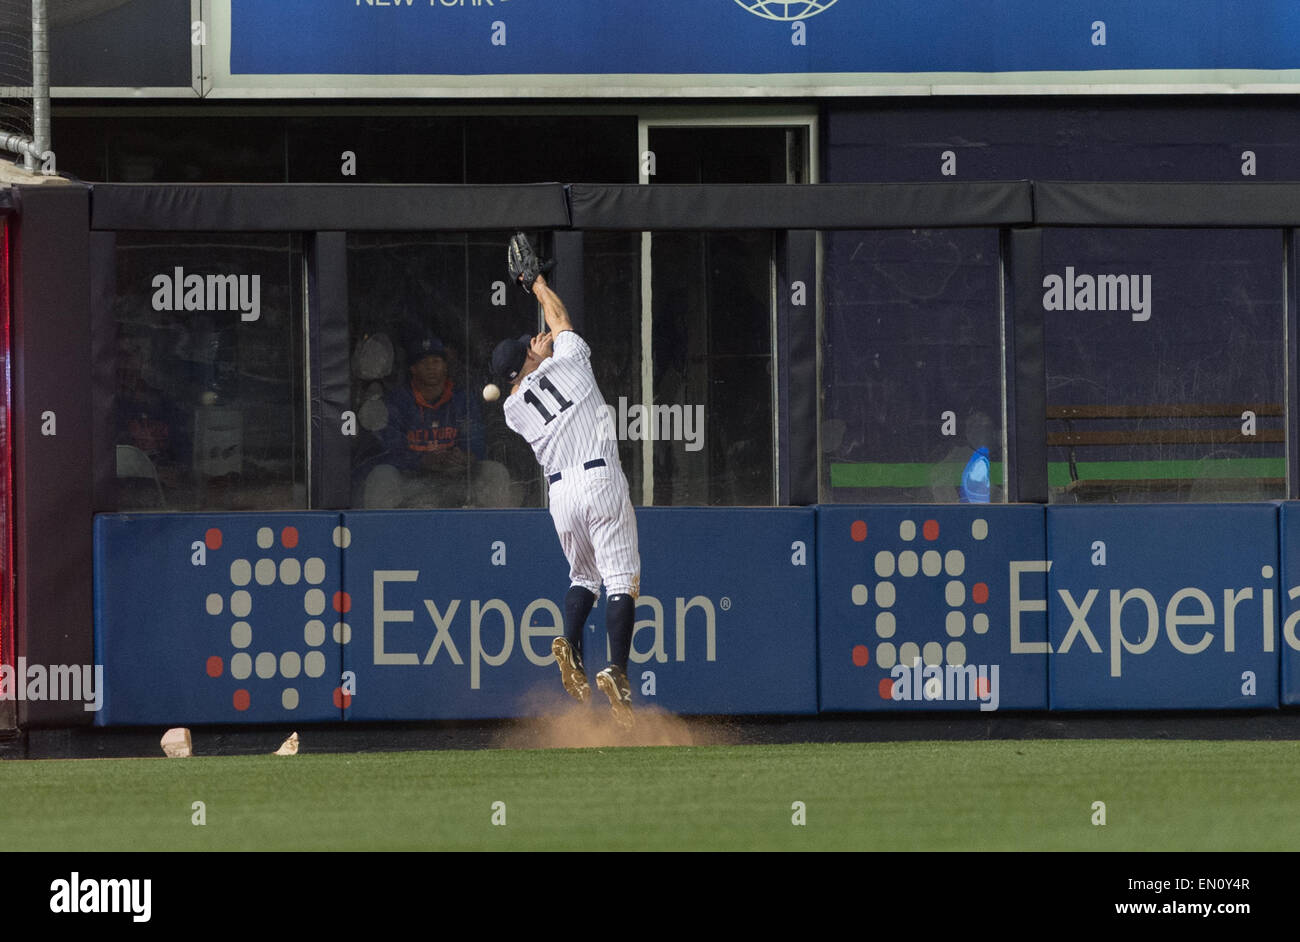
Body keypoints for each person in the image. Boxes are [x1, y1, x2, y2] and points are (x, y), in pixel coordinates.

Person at [491, 268, 640, 729]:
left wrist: (528, 364)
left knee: (584, 576)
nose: (539, 341)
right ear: (529, 360)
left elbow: (519, 384)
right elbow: (561, 320)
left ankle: (571, 645)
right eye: (530, 346)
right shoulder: (571, 361)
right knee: (622, 581)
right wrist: (534, 282)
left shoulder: (512, 408)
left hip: (561, 495)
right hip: (599, 479)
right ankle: (617, 668)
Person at [359, 333, 512, 508]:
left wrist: (467, 457)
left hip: (456, 480)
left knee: (493, 471)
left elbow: (476, 439)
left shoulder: (461, 399)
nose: (431, 367)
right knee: (381, 475)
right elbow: (389, 450)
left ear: (445, 366)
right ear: (413, 368)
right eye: (424, 363)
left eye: (436, 362)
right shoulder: (398, 401)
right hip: (413, 481)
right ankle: (381, 534)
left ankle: (494, 533)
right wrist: (421, 460)